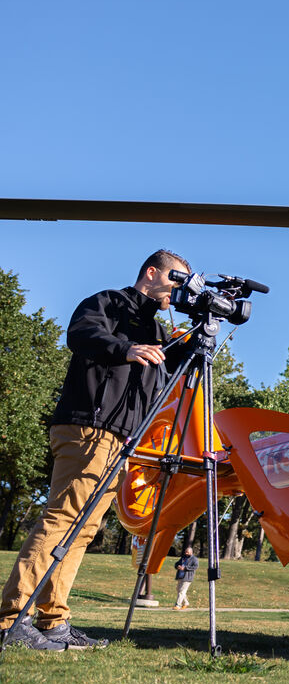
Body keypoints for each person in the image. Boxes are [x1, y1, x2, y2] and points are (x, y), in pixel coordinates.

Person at [0, 249, 191, 651]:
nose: (178, 288)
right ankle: (11, 619)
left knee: (83, 530)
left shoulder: (156, 330)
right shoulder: (108, 303)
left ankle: (54, 621)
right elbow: (81, 335)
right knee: (63, 518)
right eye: (175, 278)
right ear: (151, 272)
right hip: (88, 427)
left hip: (119, 438)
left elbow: (166, 378)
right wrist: (126, 349)